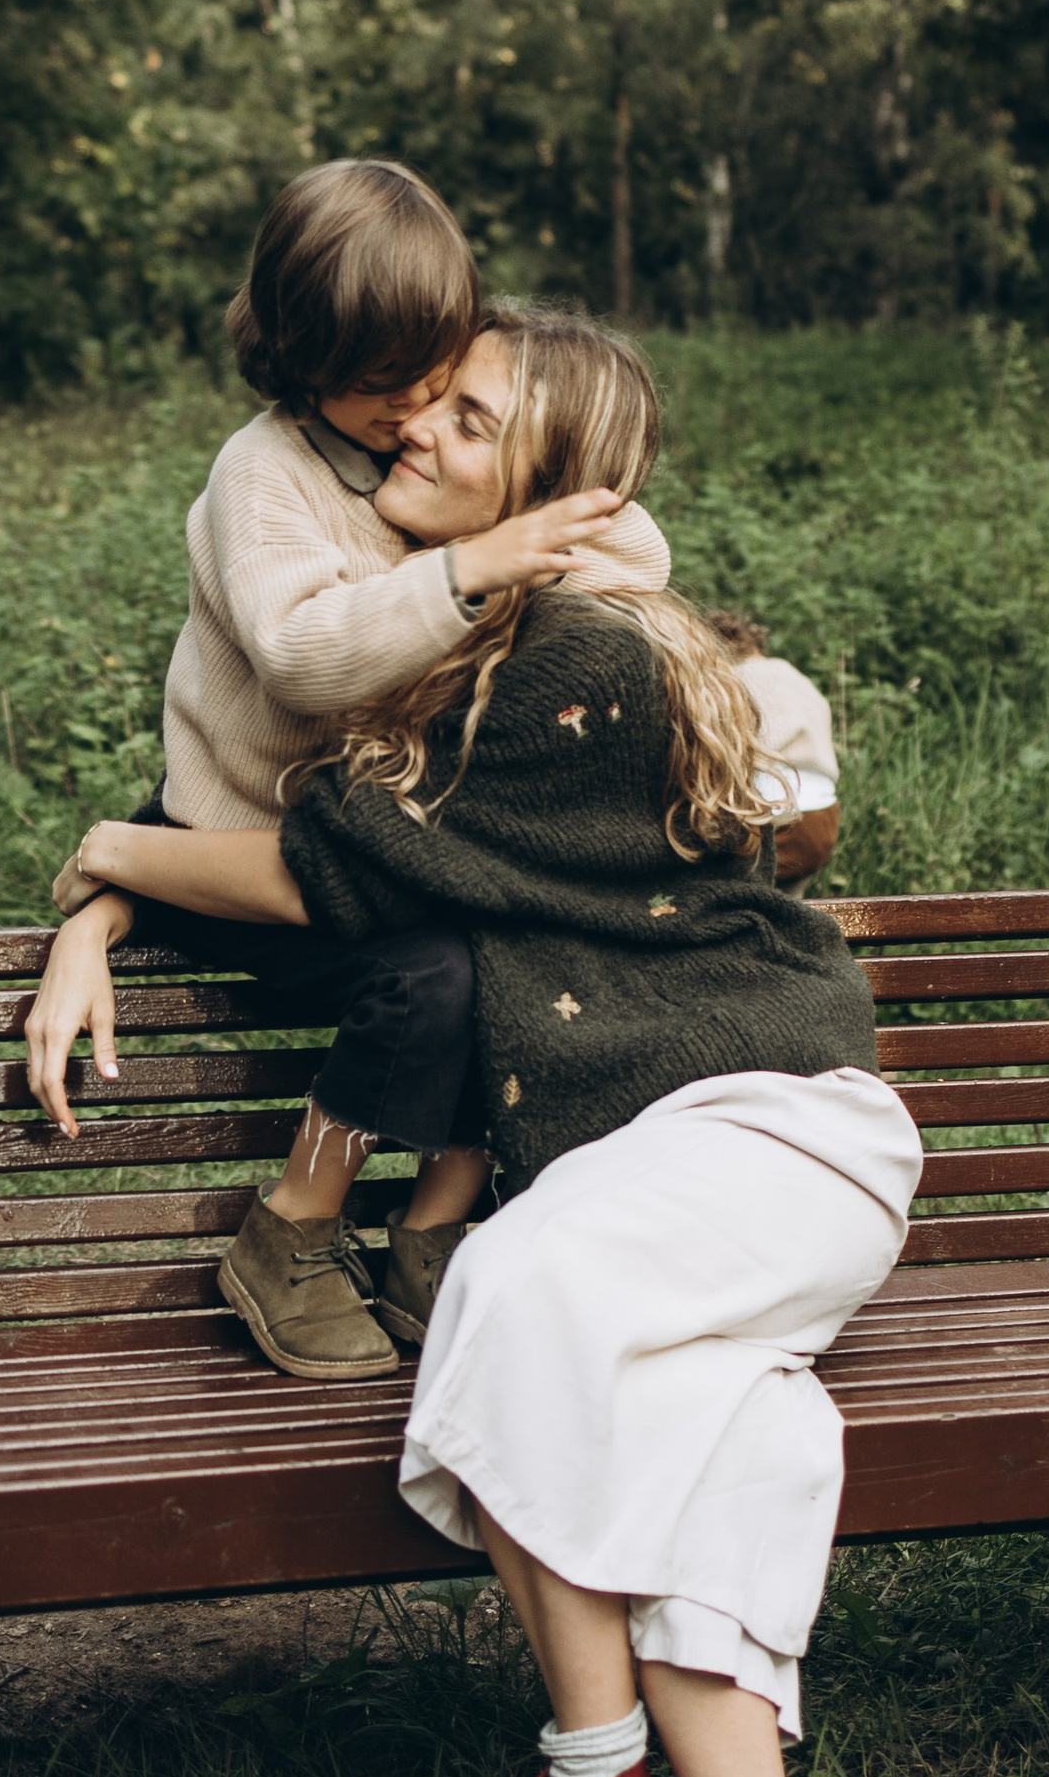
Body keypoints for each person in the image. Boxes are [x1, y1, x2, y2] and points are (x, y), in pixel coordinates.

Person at [32, 307, 922, 1777]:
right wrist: (112, 890)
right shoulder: (508, 647)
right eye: (418, 403)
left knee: (509, 1302)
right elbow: (319, 834)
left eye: (467, 414)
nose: (412, 429)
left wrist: (99, 858)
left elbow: (313, 860)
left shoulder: (572, 666)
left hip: (774, 1136)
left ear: (555, 489)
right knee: (708, 1460)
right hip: (669, 1190)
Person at [33, 161, 669, 1380]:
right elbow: (302, 658)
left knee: (532, 940)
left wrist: (540, 526)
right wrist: (476, 563)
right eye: (388, 389)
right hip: (258, 845)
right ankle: (294, 1227)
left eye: (444, 372)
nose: (421, 406)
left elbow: (630, 537)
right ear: (298, 365)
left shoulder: (437, 433)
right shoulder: (263, 477)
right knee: (440, 970)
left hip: (384, 836)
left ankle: (435, 1232)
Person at [702, 608, 841, 884]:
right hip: (822, 816)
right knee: (789, 895)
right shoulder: (797, 678)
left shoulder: (728, 680)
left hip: (769, 819)